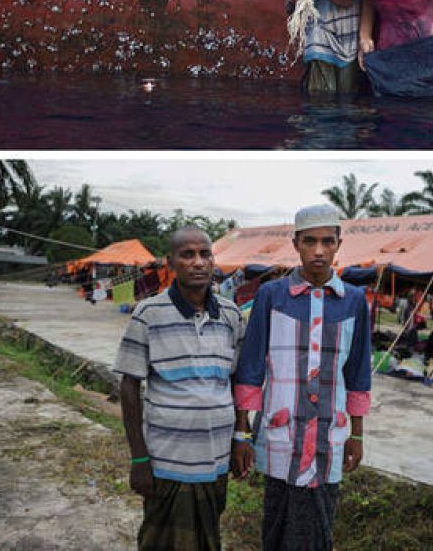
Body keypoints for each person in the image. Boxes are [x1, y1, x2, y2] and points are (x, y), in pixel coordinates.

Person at [233, 203, 372, 551]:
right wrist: (241, 431)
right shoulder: (272, 296)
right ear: (295, 244)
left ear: (339, 242)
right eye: (310, 242)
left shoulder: (354, 301)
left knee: (320, 524)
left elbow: (358, 373)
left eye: (327, 241)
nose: (319, 251)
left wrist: (356, 435)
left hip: (330, 433)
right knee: (278, 520)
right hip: (282, 432)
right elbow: (251, 367)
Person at [114, 227, 244, 551]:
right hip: (167, 460)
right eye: (188, 255)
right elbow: (130, 386)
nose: (198, 262)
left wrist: (243, 435)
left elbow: (238, 381)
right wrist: (139, 458)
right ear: (170, 262)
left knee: (207, 536)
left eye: (205, 254)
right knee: (161, 540)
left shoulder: (231, 315)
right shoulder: (149, 314)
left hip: (215, 458)